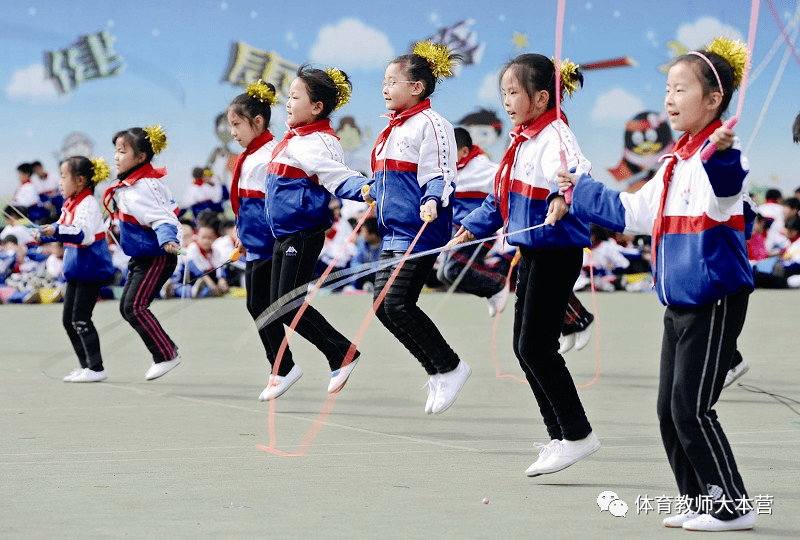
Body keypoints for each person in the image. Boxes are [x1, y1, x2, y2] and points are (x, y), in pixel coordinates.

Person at [558, 38, 756, 531]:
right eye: (667, 88)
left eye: (680, 89)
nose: (669, 99)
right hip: (679, 303)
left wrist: (722, 158)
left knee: (691, 408)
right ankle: (699, 500)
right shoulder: (672, 164)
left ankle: (732, 505)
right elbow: (631, 213)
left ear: (713, 101)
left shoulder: (721, 159)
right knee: (669, 411)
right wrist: (579, 189)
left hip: (713, 300)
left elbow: (729, 189)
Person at [452, 53, 600, 474]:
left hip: (557, 251)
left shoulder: (555, 134)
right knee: (524, 346)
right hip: (532, 251)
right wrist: (470, 227)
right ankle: (559, 436)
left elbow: (575, 171)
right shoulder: (521, 140)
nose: (507, 101)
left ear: (540, 97)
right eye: (504, 93)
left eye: (514, 92)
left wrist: (561, 197)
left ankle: (578, 434)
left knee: (536, 346)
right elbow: (499, 199)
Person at [360, 42, 471, 415]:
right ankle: (438, 370)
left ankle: (451, 365)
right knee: (381, 306)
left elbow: (440, 171)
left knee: (398, 303)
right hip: (393, 231)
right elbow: (387, 177)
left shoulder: (433, 125)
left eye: (393, 81)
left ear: (418, 87)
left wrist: (432, 199)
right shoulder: (392, 129)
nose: (385, 88)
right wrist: (371, 190)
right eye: (384, 82)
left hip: (421, 230)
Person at [264, 65, 367, 399]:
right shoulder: (295, 139)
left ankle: (341, 353)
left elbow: (337, 176)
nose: (288, 104)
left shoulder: (317, 143)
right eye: (288, 97)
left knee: (287, 303)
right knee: (278, 305)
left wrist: (366, 189)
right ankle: (336, 354)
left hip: (302, 234)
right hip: (285, 234)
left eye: (295, 97)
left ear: (317, 107)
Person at [102, 125, 184, 381]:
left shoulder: (143, 186)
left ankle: (167, 354)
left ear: (140, 158)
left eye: (122, 151)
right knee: (129, 307)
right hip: (142, 257)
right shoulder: (131, 185)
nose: (116, 157)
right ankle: (166, 352)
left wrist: (168, 240)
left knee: (135, 306)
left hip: (157, 256)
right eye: (115, 151)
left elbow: (163, 218)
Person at [38, 157, 115, 383]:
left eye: (63, 177)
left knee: (81, 318)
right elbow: (62, 227)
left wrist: (55, 230)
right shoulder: (71, 203)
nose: (59, 182)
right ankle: (86, 366)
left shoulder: (88, 203)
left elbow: (82, 234)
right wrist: (45, 232)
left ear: (80, 180)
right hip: (77, 269)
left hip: (90, 268)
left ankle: (97, 367)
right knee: (68, 320)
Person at [436, 126, 509, 317]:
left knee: (453, 271)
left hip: (478, 231)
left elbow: (509, 179)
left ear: (465, 151)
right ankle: (493, 289)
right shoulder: (448, 170)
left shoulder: (483, 168)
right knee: (442, 274)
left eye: (451, 153)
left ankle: (497, 285)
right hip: (456, 233)